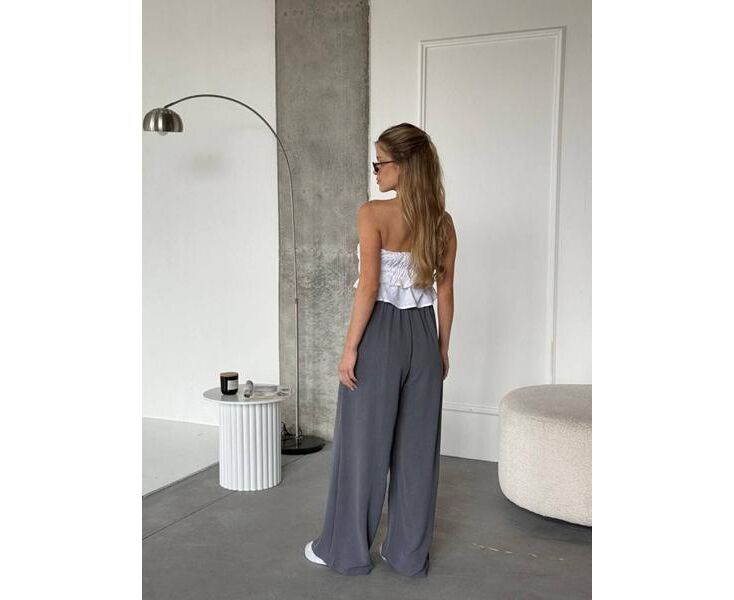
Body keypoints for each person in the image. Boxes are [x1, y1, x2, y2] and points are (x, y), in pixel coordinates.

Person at [304, 123, 457, 577]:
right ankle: (407, 556)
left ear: (403, 165)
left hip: (380, 337)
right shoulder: (443, 222)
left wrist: (349, 349)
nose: (375, 171)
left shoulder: (372, 213)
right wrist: (442, 350)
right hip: (424, 339)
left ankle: (345, 551)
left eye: (380, 162)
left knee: (362, 447)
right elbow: (445, 293)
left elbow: (369, 286)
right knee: (416, 453)